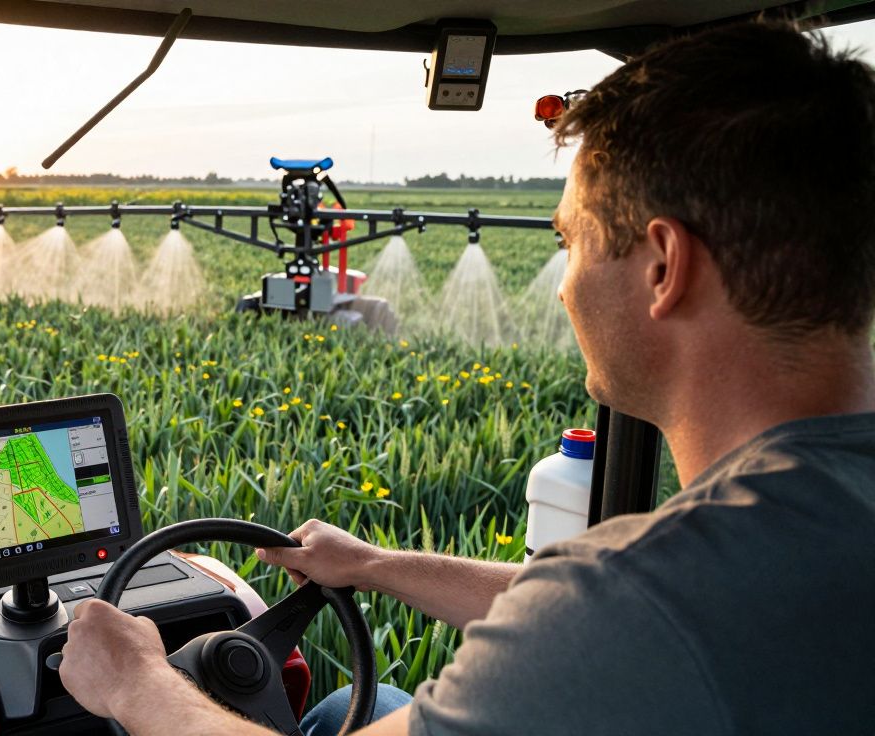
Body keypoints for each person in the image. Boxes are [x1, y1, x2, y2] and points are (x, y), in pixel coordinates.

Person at [58, 20, 875, 735]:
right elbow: (592, 605)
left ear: (663, 267)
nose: (563, 285)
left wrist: (135, 683)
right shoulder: (775, 542)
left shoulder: (641, 606)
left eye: (573, 243)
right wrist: (374, 566)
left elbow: (615, 613)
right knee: (360, 710)